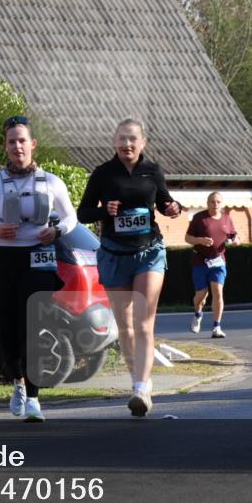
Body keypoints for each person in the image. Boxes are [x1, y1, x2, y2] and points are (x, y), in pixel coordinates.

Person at [0, 116, 77, 422]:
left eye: (22, 140)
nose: (17, 146)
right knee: (9, 325)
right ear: (5, 146)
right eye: (12, 141)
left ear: (33, 144)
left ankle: (35, 398)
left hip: (39, 259)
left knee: (35, 324)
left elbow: (71, 219)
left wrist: (56, 232)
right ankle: (17, 382)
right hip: (4, 260)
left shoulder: (52, 181)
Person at [77, 118, 182, 416]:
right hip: (114, 253)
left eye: (132, 139)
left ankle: (140, 387)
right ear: (114, 142)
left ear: (143, 143)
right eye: (122, 139)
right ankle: (138, 381)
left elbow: (164, 203)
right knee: (124, 325)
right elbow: (83, 213)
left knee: (143, 321)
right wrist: (103, 211)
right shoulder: (102, 174)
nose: (127, 144)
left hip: (149, 251)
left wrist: (173, 208)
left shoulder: (153, 171)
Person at [185, 191, 239, 338]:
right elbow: (187, 238)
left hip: (218, 261)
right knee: (201, 296)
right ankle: (197, 314)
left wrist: (235, 240)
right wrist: (200, 240)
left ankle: (217, 327)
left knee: (218, 292)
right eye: (212, 201)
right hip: (200, 261)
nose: (215, 204)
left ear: (222, 204)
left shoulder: (227, 218)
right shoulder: (199, 218)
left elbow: (233, 234)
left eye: (218, 202)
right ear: (207, 203)